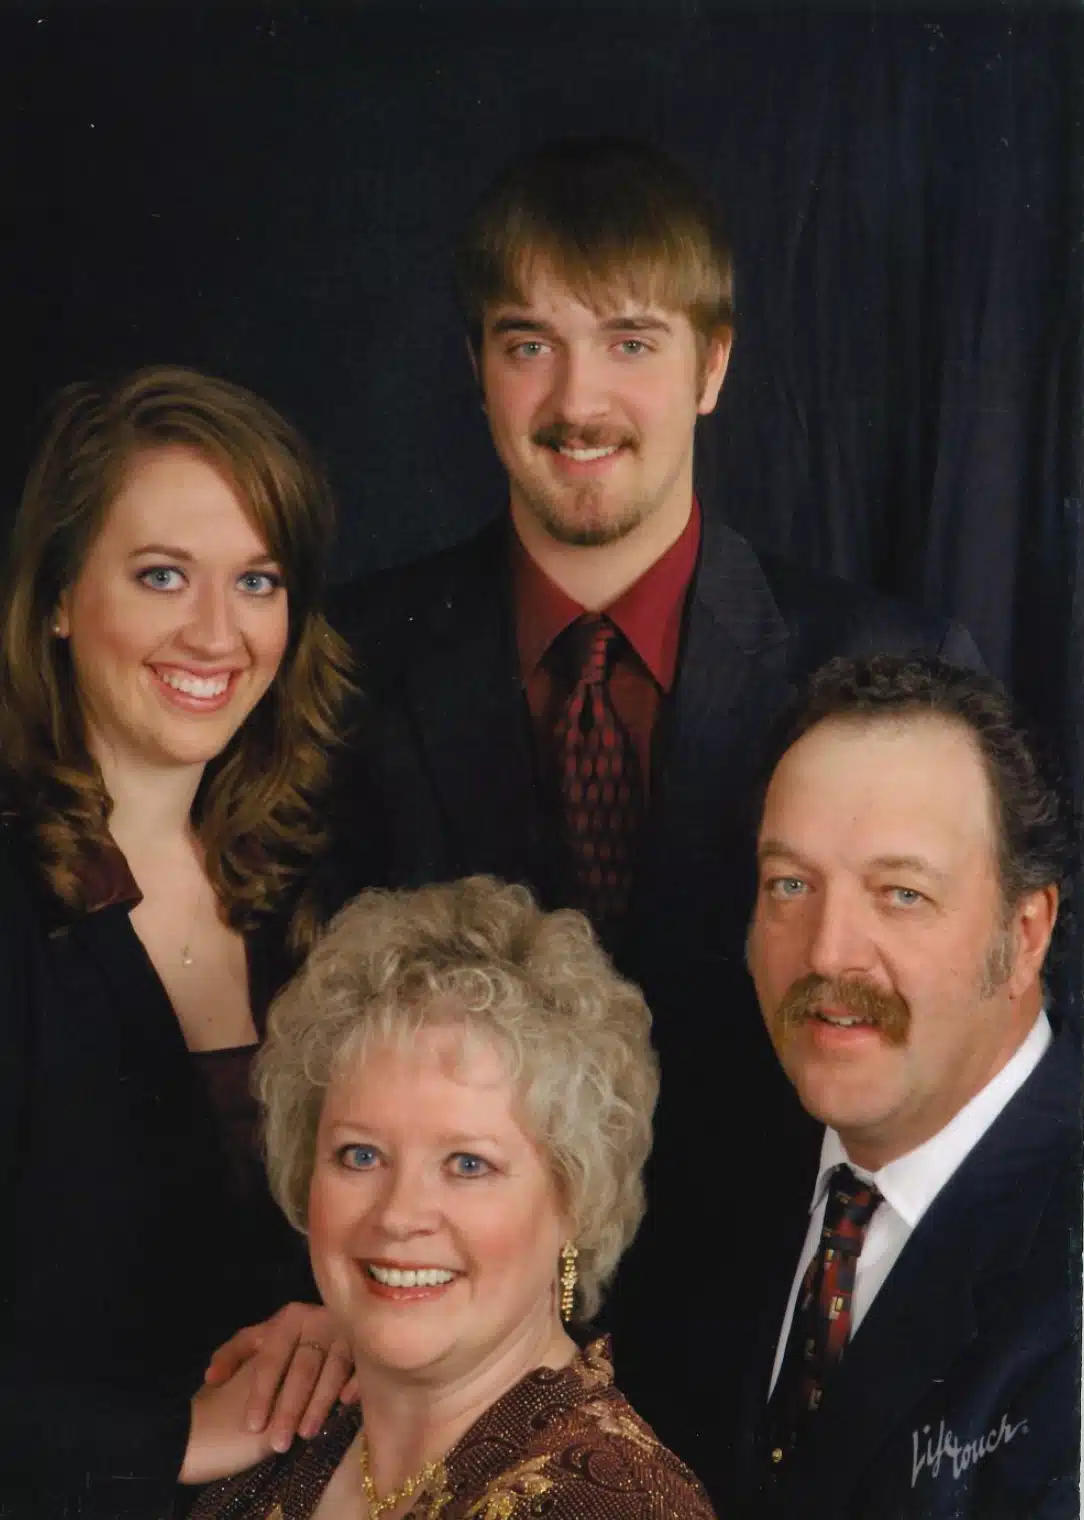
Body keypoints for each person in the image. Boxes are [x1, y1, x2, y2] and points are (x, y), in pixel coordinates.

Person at [328, 135, 983, 1492]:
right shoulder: (348, 667)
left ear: (714, 363)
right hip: (432, 1396)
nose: (579, 401)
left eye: (630, 341)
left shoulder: (883, 662)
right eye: (529, 344)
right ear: (477, 368)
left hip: (790, 1410)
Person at [0, 367, 360, 1519]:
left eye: (257, 580)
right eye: (162, 575)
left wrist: (343, 1314)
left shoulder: (310, 882)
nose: (216, 632)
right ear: (59, 596)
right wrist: (170, 1436)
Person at [187, 874, 716, 1520]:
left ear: (575, 1200)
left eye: (468, 1164)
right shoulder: (285, 1439)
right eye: (361, 1155)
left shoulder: (607, 1505)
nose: (399, 1214)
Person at [736, 654, 1080, 1518]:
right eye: (790, 885)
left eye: (900, 894)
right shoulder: (720, 1170)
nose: (826, 952)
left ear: (1025, 932)